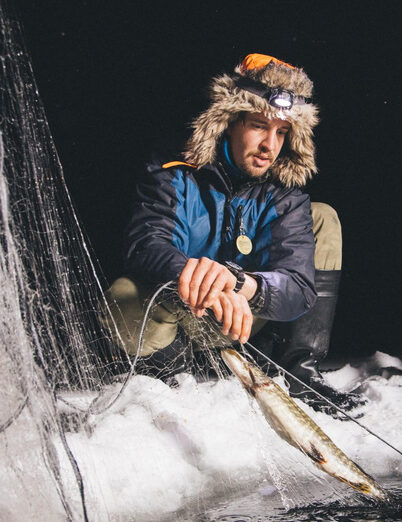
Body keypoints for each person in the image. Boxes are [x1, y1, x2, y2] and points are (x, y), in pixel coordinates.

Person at [103, 53, 361, 413]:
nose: (270, 145)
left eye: (282, 132)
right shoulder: (175, 169)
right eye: (258, 125)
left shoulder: (284, 194)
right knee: (123, 296)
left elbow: (299, 287)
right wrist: (200, 277)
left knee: (323, 216)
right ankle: (168, 376)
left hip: (239, 319)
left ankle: (300, 373)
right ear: (229, 122)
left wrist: (239, 283)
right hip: (181, 308)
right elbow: (147, 243)